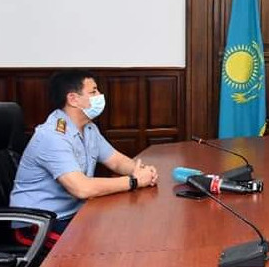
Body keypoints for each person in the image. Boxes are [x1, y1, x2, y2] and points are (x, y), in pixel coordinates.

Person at [10, 70, 158, 240]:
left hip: (75, 213)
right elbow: (81, 188)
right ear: (73, 99)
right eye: (93, 92)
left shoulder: (89, 128)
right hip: (40, 223)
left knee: (125, 229)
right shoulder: (52, 135)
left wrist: (143, 171)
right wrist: (134, 181)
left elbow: (116, 161)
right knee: (109, 241)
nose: (100, 95)